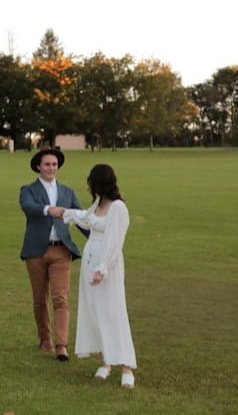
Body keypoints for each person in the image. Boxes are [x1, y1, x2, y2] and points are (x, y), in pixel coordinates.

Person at [63, 164, 137, 388]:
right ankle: (107, 362)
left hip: (107, 265)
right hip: (89, 260)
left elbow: (114, 243)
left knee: (113, 312)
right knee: (95, 312)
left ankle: (126, 366)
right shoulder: (98, 203)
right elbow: (86, 219)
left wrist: (102, 269)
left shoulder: (118, 208)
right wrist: (66, 213)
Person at [19, 147, 87, 362]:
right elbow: (28, 207)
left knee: (60, 298)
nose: (51, 168)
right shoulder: (28, 189)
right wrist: (49, 209)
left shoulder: (67, 192)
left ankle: (61, 345)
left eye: (55, 165)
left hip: (61, 250)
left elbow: (80, 218)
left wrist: (98, 237)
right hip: (36, 251)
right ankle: (45, 337)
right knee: (40, 298)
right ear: (39, 166)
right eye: (47, 164)